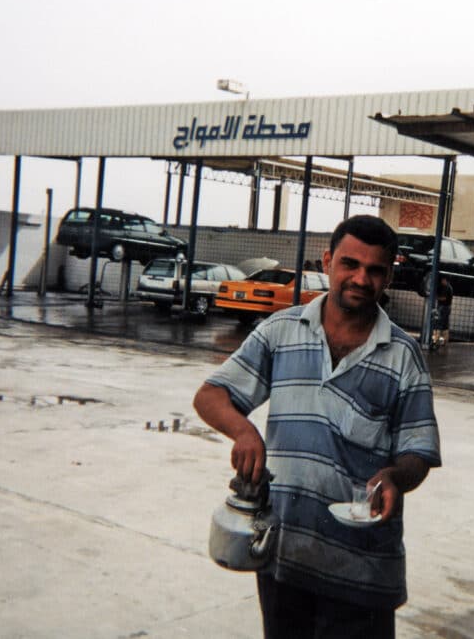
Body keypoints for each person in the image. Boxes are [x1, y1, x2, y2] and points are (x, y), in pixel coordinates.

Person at [193, 215, 441, 639]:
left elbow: (418, 451)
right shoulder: (279, 331)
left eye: (375, 270)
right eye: (350, 264)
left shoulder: (404, 355)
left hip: (362, 572)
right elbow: (210, 396)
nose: (361, 278)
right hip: (284, 559)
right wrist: (245, 432)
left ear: (388, 277)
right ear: (328, 261)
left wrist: (396, 477)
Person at [432, 275, 453, 347]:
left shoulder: (447, 288)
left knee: (439, 323)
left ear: (445, 280)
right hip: (447, 307)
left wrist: (436, 297)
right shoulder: (449, 287)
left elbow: (444, 298)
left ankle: (436, 339)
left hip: (443, 307)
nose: (441, 282)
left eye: (442, 280)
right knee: (445, 324)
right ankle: (445, 340)